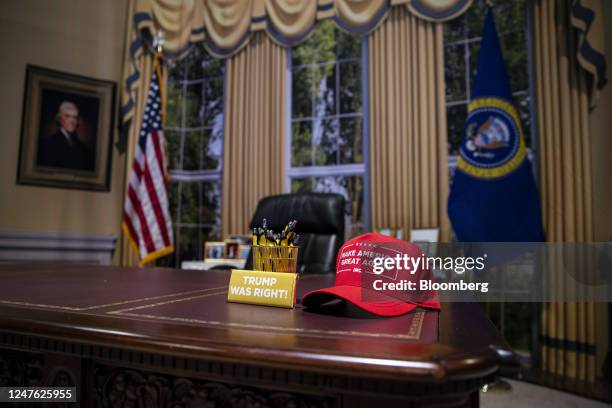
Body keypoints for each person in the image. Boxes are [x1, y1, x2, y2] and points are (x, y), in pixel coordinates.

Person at [37, 101, 94, 171]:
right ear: (59, 118)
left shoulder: (83, 148)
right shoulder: (47, 143)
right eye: (67, 116)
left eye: (75, 117)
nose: (72, 121)